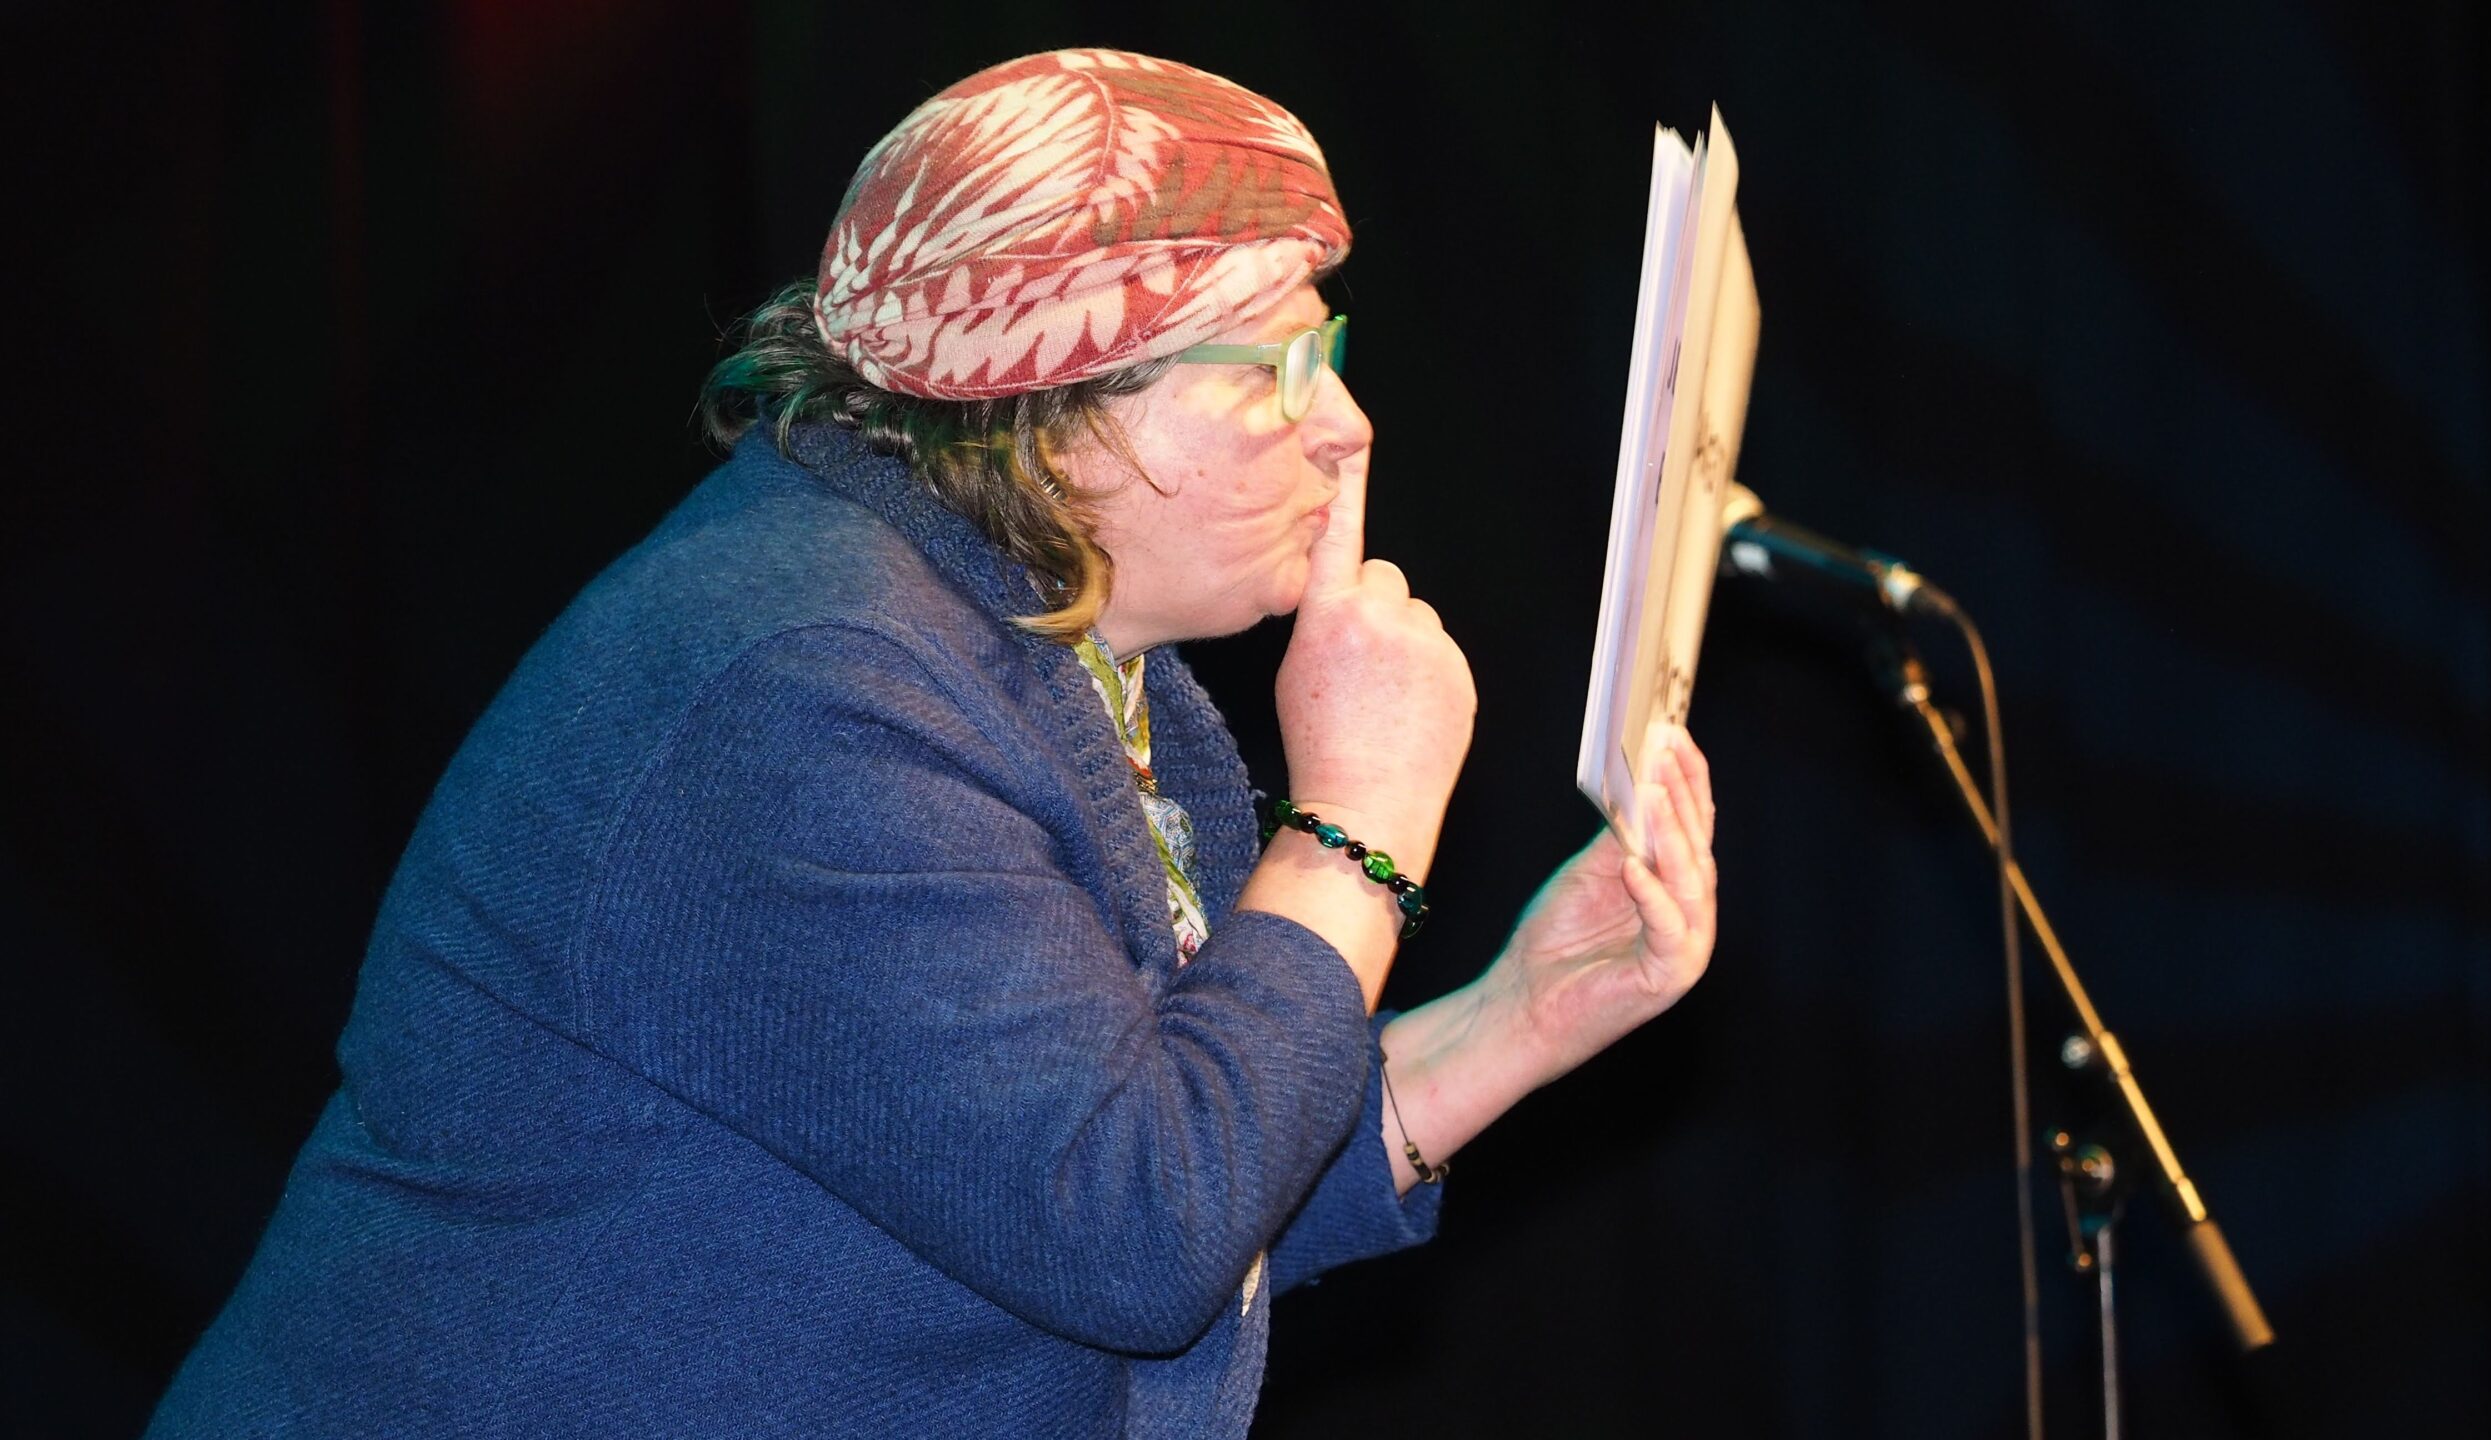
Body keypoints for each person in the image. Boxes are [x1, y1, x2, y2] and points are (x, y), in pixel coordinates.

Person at [147, 48, 1716, 1439]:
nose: (1346, 424)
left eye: (1333, 348)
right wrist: (1356, 825)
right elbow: (1142, 1230)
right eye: (1276, 369)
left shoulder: (1067, 657)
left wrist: (1521, 1016)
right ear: (1054, 401)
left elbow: (1169, 1179)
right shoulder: (809, 679)